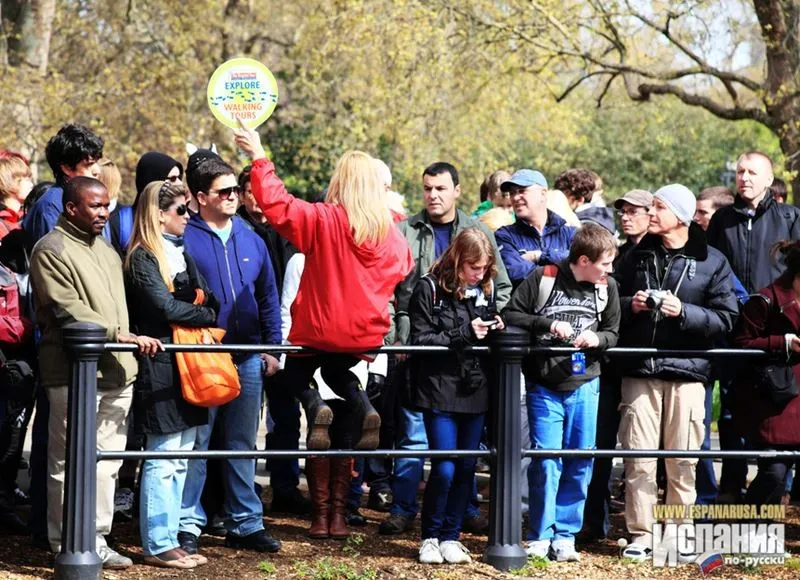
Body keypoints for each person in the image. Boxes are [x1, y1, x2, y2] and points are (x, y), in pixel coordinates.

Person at [234, 120, 414, 453]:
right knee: (335, 368)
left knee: (293, 375)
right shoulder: (390, 233)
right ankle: (363, 405)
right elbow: (404, 267)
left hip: (320, 327)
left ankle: (316, 407)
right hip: (364, 333)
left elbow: (279, 206)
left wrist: (259, 155)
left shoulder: (323, 219)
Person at [29, 176, 162, 568]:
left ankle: (98, 539)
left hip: (118, 371)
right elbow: (66, 308)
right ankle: (66, 543)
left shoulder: (105, 250)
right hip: (72, 374)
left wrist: (128, 344)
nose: (104, 212)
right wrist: (117, 334)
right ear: (72, 207)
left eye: (106, 205)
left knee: (108, 462)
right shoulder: (49, 250)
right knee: (67, 462)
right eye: (95, 206)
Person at [380, 162, 511, 536]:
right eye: (427, 188)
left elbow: (497, 287)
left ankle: (459, 516)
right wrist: (395, 338)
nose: (433, 195)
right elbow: (389, 291)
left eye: (440, 188)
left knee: (462, 457)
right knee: (413, 438)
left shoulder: (478, 231)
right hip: (416, 344)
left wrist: (491, 320)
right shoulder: (403, 231)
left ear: (457, 190)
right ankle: (405, 510)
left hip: (468, 360)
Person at [613, 184, 738, 561]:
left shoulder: (714, 261)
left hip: (688, 374)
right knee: (639, 459)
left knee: (682, 461)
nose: (650, 213)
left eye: (657, 206)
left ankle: (679, 534)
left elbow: (727, 319)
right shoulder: (634, 256)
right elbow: (607, 303)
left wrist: (683, 311)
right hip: (640, 370)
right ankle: (641, 535)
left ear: (680, 216)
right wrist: (629, 305)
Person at [178, 157, 283, 555]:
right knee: (199, 443)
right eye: (224, 192)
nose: (233, 197)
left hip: (249, 355)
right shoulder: (184, 236)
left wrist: (272, 349)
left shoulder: (252, 236)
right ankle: (188, 522)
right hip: (203, 357)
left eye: (235, 191)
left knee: (242, 443)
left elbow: (268, 295)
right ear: (200, 197)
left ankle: (245, 522)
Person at [504, 223, 620, 561]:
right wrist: (547, 324)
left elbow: (613, 332)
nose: (609, 271)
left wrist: (597, 340)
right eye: (604, 264)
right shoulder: (544, 278)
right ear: (584, 260)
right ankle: (540, 533)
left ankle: (566, 535)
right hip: (544, 384)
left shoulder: (606, 288)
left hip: (586, 382)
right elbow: (511, 312)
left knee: (581, 457)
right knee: (545, 459)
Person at [125, 180, 218, 569]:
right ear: (159, 213)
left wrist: (196, 307)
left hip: (189, 364)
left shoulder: (183, 254)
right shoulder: (144, 256)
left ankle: (169, 537)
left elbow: (212, 302)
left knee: (182, 457)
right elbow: (164, 307)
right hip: (160, 366)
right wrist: (195, 307)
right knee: (163, 458)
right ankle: (156, 543)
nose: (189, 216)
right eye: (182, 209)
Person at [706, 151, 800, 502]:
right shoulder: (722, 220)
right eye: (740, 171)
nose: (744, 177)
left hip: (776, 330)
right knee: (730, 410)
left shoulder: (789, 218)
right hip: (734, 327)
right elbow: (713, 266)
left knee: (777, 404)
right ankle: (731, 484)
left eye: (752, 172)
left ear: (768, 178)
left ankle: (776, 489)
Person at [411, 228, 504, 565]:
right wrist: (465, 333)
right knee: (445, 466)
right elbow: (420, 340)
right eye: (473, 268)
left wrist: (494, 328)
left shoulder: (486, 287)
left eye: (484, 269)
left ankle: (452, 536)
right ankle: (430, 536)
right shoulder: (429, 287)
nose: (478, 275)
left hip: (475, 387)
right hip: (438, 387)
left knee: (467, 467)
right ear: (457, 260)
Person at [582, 189, 653, 542]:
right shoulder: (618, 256)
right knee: (598, 445)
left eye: (634, 211)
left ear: (652, 213)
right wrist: (631, 304)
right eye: (622, 211)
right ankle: (594, 522)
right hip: (609, 362)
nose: (626, 216)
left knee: (651, 454)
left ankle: (656, 529)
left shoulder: (664, 255)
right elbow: (603, 298)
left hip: (647, 365)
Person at [732, 241, 800, 505]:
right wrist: (781, 341)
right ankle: (753, 526)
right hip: (776, 397)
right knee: (774, 470)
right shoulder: (765, 299)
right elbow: (740, 342)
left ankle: (766, 531)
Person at [23, 124, 103, 247]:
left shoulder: (87, 200)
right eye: (88, 165)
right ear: (66, 168)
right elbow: (54, 257)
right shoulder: (51, 206)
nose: (97, 170)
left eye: (96, 162)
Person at [494, 169, 576, 288]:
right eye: (512, 193)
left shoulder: (570, 234)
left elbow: (582, 266)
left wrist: (538, 256)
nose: (515, 197)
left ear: (543, 193)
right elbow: (517, 274)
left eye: (522, 191)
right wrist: (564, 275)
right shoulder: (504, 236)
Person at [554, 168, 615, 234]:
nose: (559, 200)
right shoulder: (601, 221)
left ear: (580, 200)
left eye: (564, 197)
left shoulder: (581, 228)